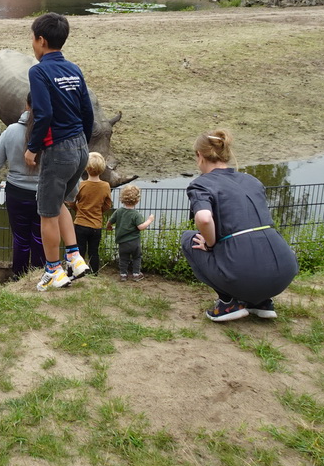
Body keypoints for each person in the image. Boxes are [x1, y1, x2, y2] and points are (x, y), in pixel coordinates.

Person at [181, 128, 299, 322]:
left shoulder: (202, 184)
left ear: (200, 156)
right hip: (284, 270)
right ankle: (260, 302)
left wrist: (210, 244)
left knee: (189, 239)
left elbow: (203, 218)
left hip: (243, 270)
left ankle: (228, 302)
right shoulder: (252, 181)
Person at [23, 12, 93, 291]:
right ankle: (74, 258)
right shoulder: (74, 69)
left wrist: (32, 148)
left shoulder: (38, 71)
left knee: (46, 212)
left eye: (32, 38)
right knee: (60, 201)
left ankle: (54, 271)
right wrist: (82, 143)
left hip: (58, 150)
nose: (32, 43)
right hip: (80, 147)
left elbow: (44, 113)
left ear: (41, 40)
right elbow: (87, 112)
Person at [0, 95, 44, 279]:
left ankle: (18, 276)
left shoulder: (11, 131)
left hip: (16, 193)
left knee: (20, 238)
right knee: (40, 238)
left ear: (27, 105)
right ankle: (37, 276)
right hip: (44, 194)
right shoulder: (52, 132)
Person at [72, 152, 112, 274]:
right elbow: (108, 204)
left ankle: (79, 272)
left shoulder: (81, 185)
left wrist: (77, 209)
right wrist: (99, 211)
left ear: (86, 168)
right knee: (94, 251)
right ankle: (94, 273)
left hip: (80, 223)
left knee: (80, 250)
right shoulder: (106, 186)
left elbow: (71, 201)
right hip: (96, 225)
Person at [107, 184, 154, 281]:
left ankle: (123, 274)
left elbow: (110, 221)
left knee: (123, 258)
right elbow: (141, 227)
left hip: (122, 242)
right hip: (134, 241)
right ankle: (136, 274)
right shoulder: (136, 214)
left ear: (122, 198)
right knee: (136, 257)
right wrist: (149, 220)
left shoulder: (118, 211)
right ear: (137, 200)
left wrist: (109, 226)